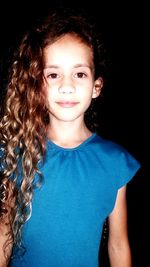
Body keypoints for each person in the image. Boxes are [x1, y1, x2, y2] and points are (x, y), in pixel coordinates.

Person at [0, 7, 141, 267]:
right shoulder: (17, 152)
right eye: (53, 75)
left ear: (96, 87)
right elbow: (4, 231)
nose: (67, 85)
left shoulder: (115, 162)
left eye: (79, 74)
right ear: (38, 86)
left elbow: (118, 244)